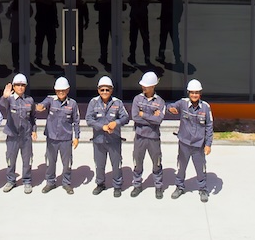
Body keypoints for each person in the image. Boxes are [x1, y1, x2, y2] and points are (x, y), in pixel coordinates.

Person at [167, 78, 213, 202]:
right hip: (184, 144)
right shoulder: (183, 103)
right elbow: (170, 106)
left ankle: (203, 189)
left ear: (200, 93)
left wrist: (208, 144)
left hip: (198, 145)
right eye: (192, 92)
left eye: (196, 92)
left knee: (200, 168)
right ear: (188, 93)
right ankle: (179, 187)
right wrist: (170, 109)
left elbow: (209, 126)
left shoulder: (205, 107)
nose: (194, 95)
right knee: (181, 167)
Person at [86, 75, 130, 197]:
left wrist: (116, 123)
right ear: (98, 90)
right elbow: (89, 119)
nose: (105, 92)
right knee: (99, 165)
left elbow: (126, 117)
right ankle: (100, 184)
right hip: (98, 140)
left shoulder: (117, 102)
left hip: (114, 140)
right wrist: (102, 127)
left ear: (111, 90)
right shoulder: (93, 102)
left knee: (116, 164)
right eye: (102, 89)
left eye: (107, 89)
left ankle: (117, 185)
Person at [35, 76, 79, 194]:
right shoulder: (50, 100)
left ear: (68, 90)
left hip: (66, 138)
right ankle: (50, 182)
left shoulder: (72, 104)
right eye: (59, 90)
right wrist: (40, 107)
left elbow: (76, 121)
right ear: (55, 90)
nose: (61, 92)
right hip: (52, 137)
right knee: (50, 162)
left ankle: (66, 183)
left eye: (63, 90)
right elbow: (42, 105)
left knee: (67, 163)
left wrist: (76, 137)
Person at [129, 70, 166, 198]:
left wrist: (143, 114)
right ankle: (137, 185)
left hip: (153, 138)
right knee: (137, 162)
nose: (144, 87)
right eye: (143, 85)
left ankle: (158, 186)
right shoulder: (137, 99)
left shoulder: (160, 101)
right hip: (139, 136)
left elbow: (159, 120)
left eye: (146, 85)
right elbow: (135, 117)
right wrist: (152, 117)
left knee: (157, 163)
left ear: (153, 86)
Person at [0, 73, 36, 193]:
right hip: (12, 135)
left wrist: (34, 130)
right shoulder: (9, 99)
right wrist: (4, 96)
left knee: (27, 160)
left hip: (26, 136)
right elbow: (2, 104)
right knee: (11, 159)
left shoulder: (29, 100)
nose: (20, 87)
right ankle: (11, 180)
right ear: (14, 86)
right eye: (18, 85)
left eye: (22, 85)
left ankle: (27, 181)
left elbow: (33, 117)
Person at [156, 0, 183, 65]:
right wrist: (178, 18)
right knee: (175, 40)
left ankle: (161, 56)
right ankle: (177, 57)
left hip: (164, 21)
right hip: (173, 21)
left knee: (163, 40)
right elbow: (181, 9)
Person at [126, 0, 153, 67]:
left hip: (134, 19)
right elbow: (148, 2)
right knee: (145, 39)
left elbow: (130, 3)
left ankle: (132, 57)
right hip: (144, 19)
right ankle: (147, 57)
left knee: (133, 39)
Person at [33, 0, 59, 68]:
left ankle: (38, 57)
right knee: (51, 43)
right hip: (50, 24)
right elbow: (54, 13)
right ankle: (51, 59)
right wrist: (56, 22)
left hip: (40, 24)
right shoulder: (51, 2)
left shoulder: (38, 0)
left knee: (39, 42)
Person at [95, 0, 115, 67]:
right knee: (115, 40)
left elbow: (96, 8)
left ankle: (104, 57)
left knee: (103, 41)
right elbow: (123, 7)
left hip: (103, 22)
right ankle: (116, 56)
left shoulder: (99, 0)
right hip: (113, 22)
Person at [5, 0, 21, 70]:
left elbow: (7, 14)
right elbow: (30, 12)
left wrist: (12, 18)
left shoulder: (12, 4)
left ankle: (15, 61)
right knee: (22, 45)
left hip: (14, 25)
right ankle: (21, 59)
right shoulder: (25, 3)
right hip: (22, 25)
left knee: (15, 46)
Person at [74, 0, 90, 65]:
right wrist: (87, 22)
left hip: (70, 22)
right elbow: (86, 14)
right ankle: (79, 56)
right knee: (79, 40)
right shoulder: (82, 2)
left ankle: (72, 55)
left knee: (71, 40)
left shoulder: (69, 2)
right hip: (79, 23)